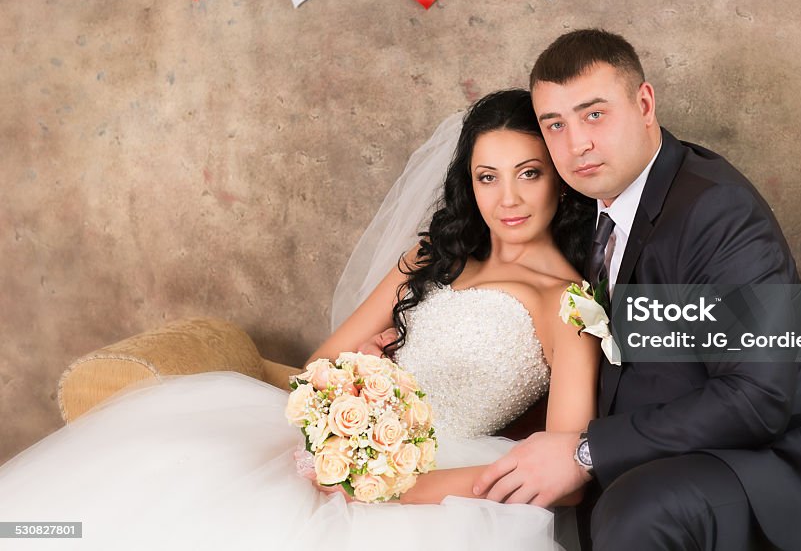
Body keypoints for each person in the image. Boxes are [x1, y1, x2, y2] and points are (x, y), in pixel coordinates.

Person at [0, 89, 600, 550]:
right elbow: (320, 365)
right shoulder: (429, 258)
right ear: (469, 185)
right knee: (172, 479)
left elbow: (564, 468)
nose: (509, 199)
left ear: (559, 176)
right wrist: (356, 379)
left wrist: (388, 484)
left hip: (444, 481)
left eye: (529, 173)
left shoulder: (566, 301)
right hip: (333, 444)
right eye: (487, 178)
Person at [474, 30, 801, 550]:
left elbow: (758, 398)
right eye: (556, 124)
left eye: (594, 114)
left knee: (637, 507)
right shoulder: (587, 210)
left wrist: (584, 451)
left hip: (764, 471)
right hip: (660, 461)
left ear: (644, 104)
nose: (577, 144)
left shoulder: (717, 211)